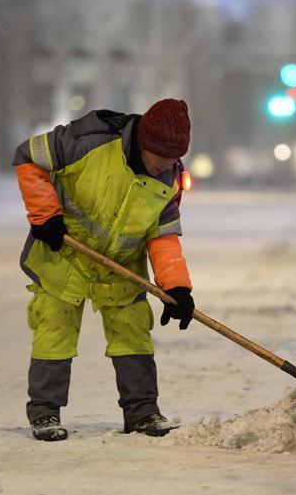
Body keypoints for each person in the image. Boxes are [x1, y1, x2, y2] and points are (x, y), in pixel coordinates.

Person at [12, 98, 195, 441]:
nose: (168, 166)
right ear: (146, 144)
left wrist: (177, 288)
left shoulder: (170, 177)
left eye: (175, 158)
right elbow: (27, 156)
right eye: (164, 158)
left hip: (120, 268)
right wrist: (45, 216)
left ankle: (142, 413)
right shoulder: (89, 140)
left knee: (133, 330)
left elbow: (164, 237)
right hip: (64, 254)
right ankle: (45, 413)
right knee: (55, 330)